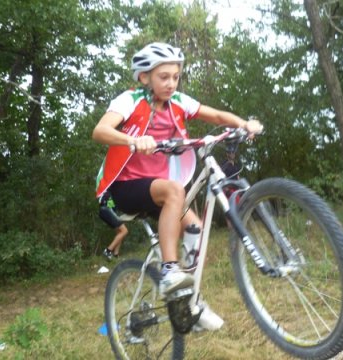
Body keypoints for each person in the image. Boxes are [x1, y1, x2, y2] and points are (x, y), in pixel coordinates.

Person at [92, 42, 263, 330]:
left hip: (157, 187)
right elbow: (100, 131)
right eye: (163, 77)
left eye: (175, 76)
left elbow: (217, 116)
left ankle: (189, 302)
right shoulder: (129, 100)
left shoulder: (179, 102)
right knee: (174, 190)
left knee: (195, 228)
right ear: (145, 77)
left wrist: (243, 124)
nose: (171, 83)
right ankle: (171, 269)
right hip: (122, 188)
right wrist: (133, 140)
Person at [98, 194, 129, 261]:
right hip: (106, 209)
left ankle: (116, 254)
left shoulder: (109, 191)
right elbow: (110, 202)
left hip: (105, 210)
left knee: (120, 232)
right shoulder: (109, 189)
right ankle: (108, 250)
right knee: (124, 231)